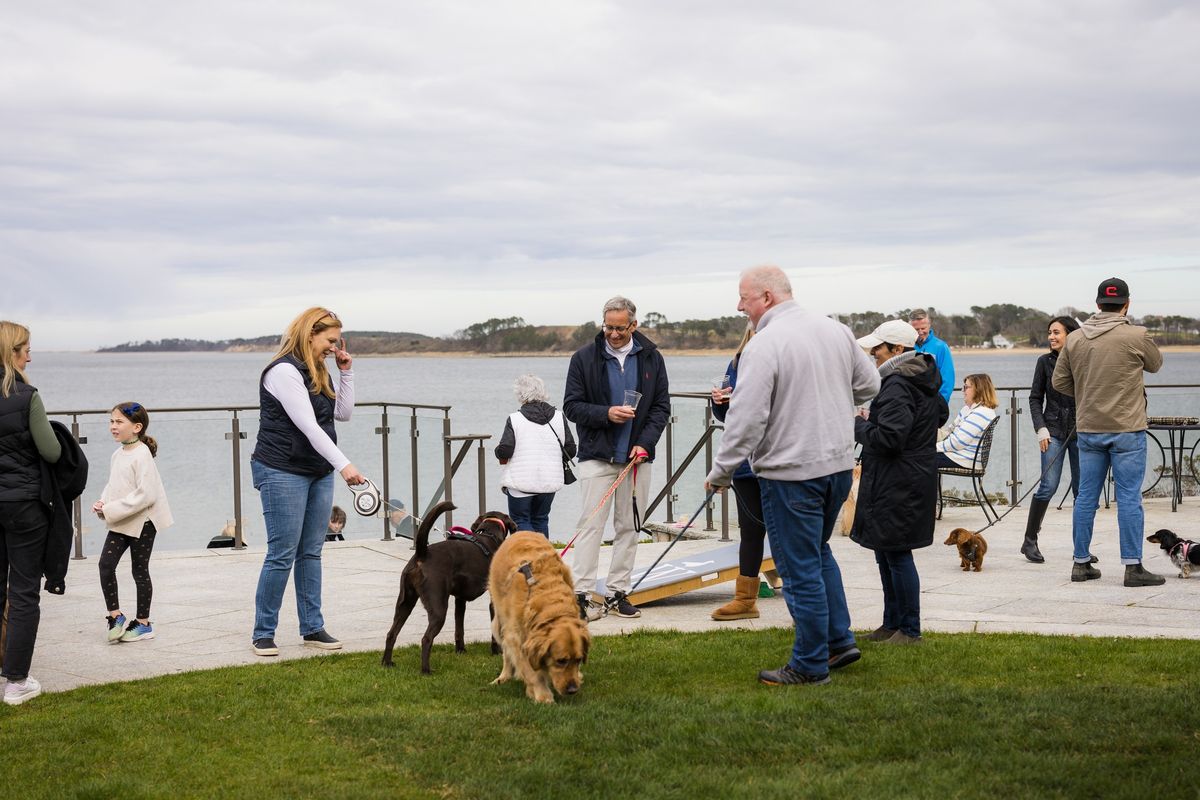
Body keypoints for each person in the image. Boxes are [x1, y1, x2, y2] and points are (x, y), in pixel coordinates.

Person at [705, 266, 880, 687]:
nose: (739, 306)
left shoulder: (765, 344)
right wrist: (828, 397)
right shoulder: (835, 330)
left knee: (798, 567)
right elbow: (870, 383)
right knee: (817, 554)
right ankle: (839, 641)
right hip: (837, 467)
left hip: (791, 474)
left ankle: (809, 664)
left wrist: (721, 471)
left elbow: (745, 418)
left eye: (743, 298)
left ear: (766, 297)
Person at [250, 307, 366, 657]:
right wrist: (345, 466)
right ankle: (263, 632)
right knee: (282, 553)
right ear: (310, 334)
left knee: (311, 552)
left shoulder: (320, 370)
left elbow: (341, 414)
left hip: (316, 470)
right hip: (280, 469)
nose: (333, 347)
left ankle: (312, 628)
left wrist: (346, 373)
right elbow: (308, 427)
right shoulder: (284, 372)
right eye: (329, 340)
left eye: (336, 342)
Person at [563, 296, 670, 620]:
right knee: (590, 527)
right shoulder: (583, 359)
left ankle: (617, 592)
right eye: (608, 327)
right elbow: (571, 406)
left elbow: (660, 407)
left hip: (637, 459)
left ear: (633, 325)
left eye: (620, 328)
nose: (613, 333)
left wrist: (645, 444)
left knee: (629, 527)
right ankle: (580, 595)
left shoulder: (652, 358)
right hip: (597, 457)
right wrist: (607, 413)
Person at [1053, 277, 1165, 587]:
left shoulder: (1075, 339)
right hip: (1127, 428)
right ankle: (1133, 567)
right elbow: (1156, 364)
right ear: (1126, 304)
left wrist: (1089, 394)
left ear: (1098, 304)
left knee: (1085, 497)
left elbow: (1059, 382)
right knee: (1129, 498)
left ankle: (1080, 563)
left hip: (1089, 428)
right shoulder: (1136, 335)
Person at [850, 320, 948, 645]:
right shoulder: (920, 378)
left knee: (896, 554)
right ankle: (891, 624)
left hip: (898, 479)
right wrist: (876, 420)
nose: (872, 354)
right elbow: (939, 414)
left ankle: (909, 629)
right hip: (906, 476)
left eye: (877, 348)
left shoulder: (897, 384)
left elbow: (890, 438)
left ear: (896, 350)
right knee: (886, 551)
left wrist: (857, 426)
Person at [0, 322, 61, 705]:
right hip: (23, 505)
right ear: (13, 353)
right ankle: (16, 683)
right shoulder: (26, 395)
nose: (29, 356)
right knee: (23, 592)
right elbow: (52, 452)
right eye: (25, 350)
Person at [92, 402, 174, 644]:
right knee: (105, 565)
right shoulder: (118, 453)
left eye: (119, 422)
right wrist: (102, 501)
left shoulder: (142, 454)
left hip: (144, 522)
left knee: (139, 570)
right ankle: (115, 616)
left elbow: (146, 495)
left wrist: (110, 510)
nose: (113, 427)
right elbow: (115, 484)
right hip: (122, 520)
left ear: (136, 427)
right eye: (111, 421)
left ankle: (144, 623)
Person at [708, 324, 768, 621]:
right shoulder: (737, 362)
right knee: (751, 531)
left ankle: (803, 597)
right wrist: (718, 402)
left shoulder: (782, 358)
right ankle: (745, 599)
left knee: (786, 531)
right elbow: (726, 415)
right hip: (745, 463)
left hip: (777, 460)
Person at [1021, 316, 1082, 564]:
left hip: (1082, 432)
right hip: (1053, 431)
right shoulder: (1044, 362)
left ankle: (1082, 547)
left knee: (1083, 491)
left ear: (1071, 334)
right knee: (1048, 485)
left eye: (1056, 332)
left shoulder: (1084, 361)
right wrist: (1041, 429)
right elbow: (1035, 398)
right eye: (1050, 333)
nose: (1051, 337)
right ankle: (1029, 541)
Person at [495, 374, 576, 537]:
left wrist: (497, 451)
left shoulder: (515, 419)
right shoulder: (559, 417)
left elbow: (505, 450)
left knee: (521, 520)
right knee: (541, 519)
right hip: (549, 480)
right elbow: (571, 450)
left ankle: (527, 559)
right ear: (542, 392)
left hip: (521, 482)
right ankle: (543, 559)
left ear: (520, 395)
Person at [935, 373, 999, 469]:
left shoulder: (980, 413)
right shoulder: (968, 409)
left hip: (963, 459)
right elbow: (950, 432)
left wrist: (931, 448)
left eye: (966, 387)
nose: (962, 391)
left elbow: (957, 443)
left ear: (978, 390)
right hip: (957, 455)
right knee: (916, 453)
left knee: (916, 458)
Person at [909, 309, 955, 403]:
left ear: (929, 326)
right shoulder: (905, 346)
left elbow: (947, 378)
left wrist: (940, 404)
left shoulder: (941, 347)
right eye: (916, 329)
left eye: (923, 328)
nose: (920, 332)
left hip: (933, 405)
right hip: (910, 404)